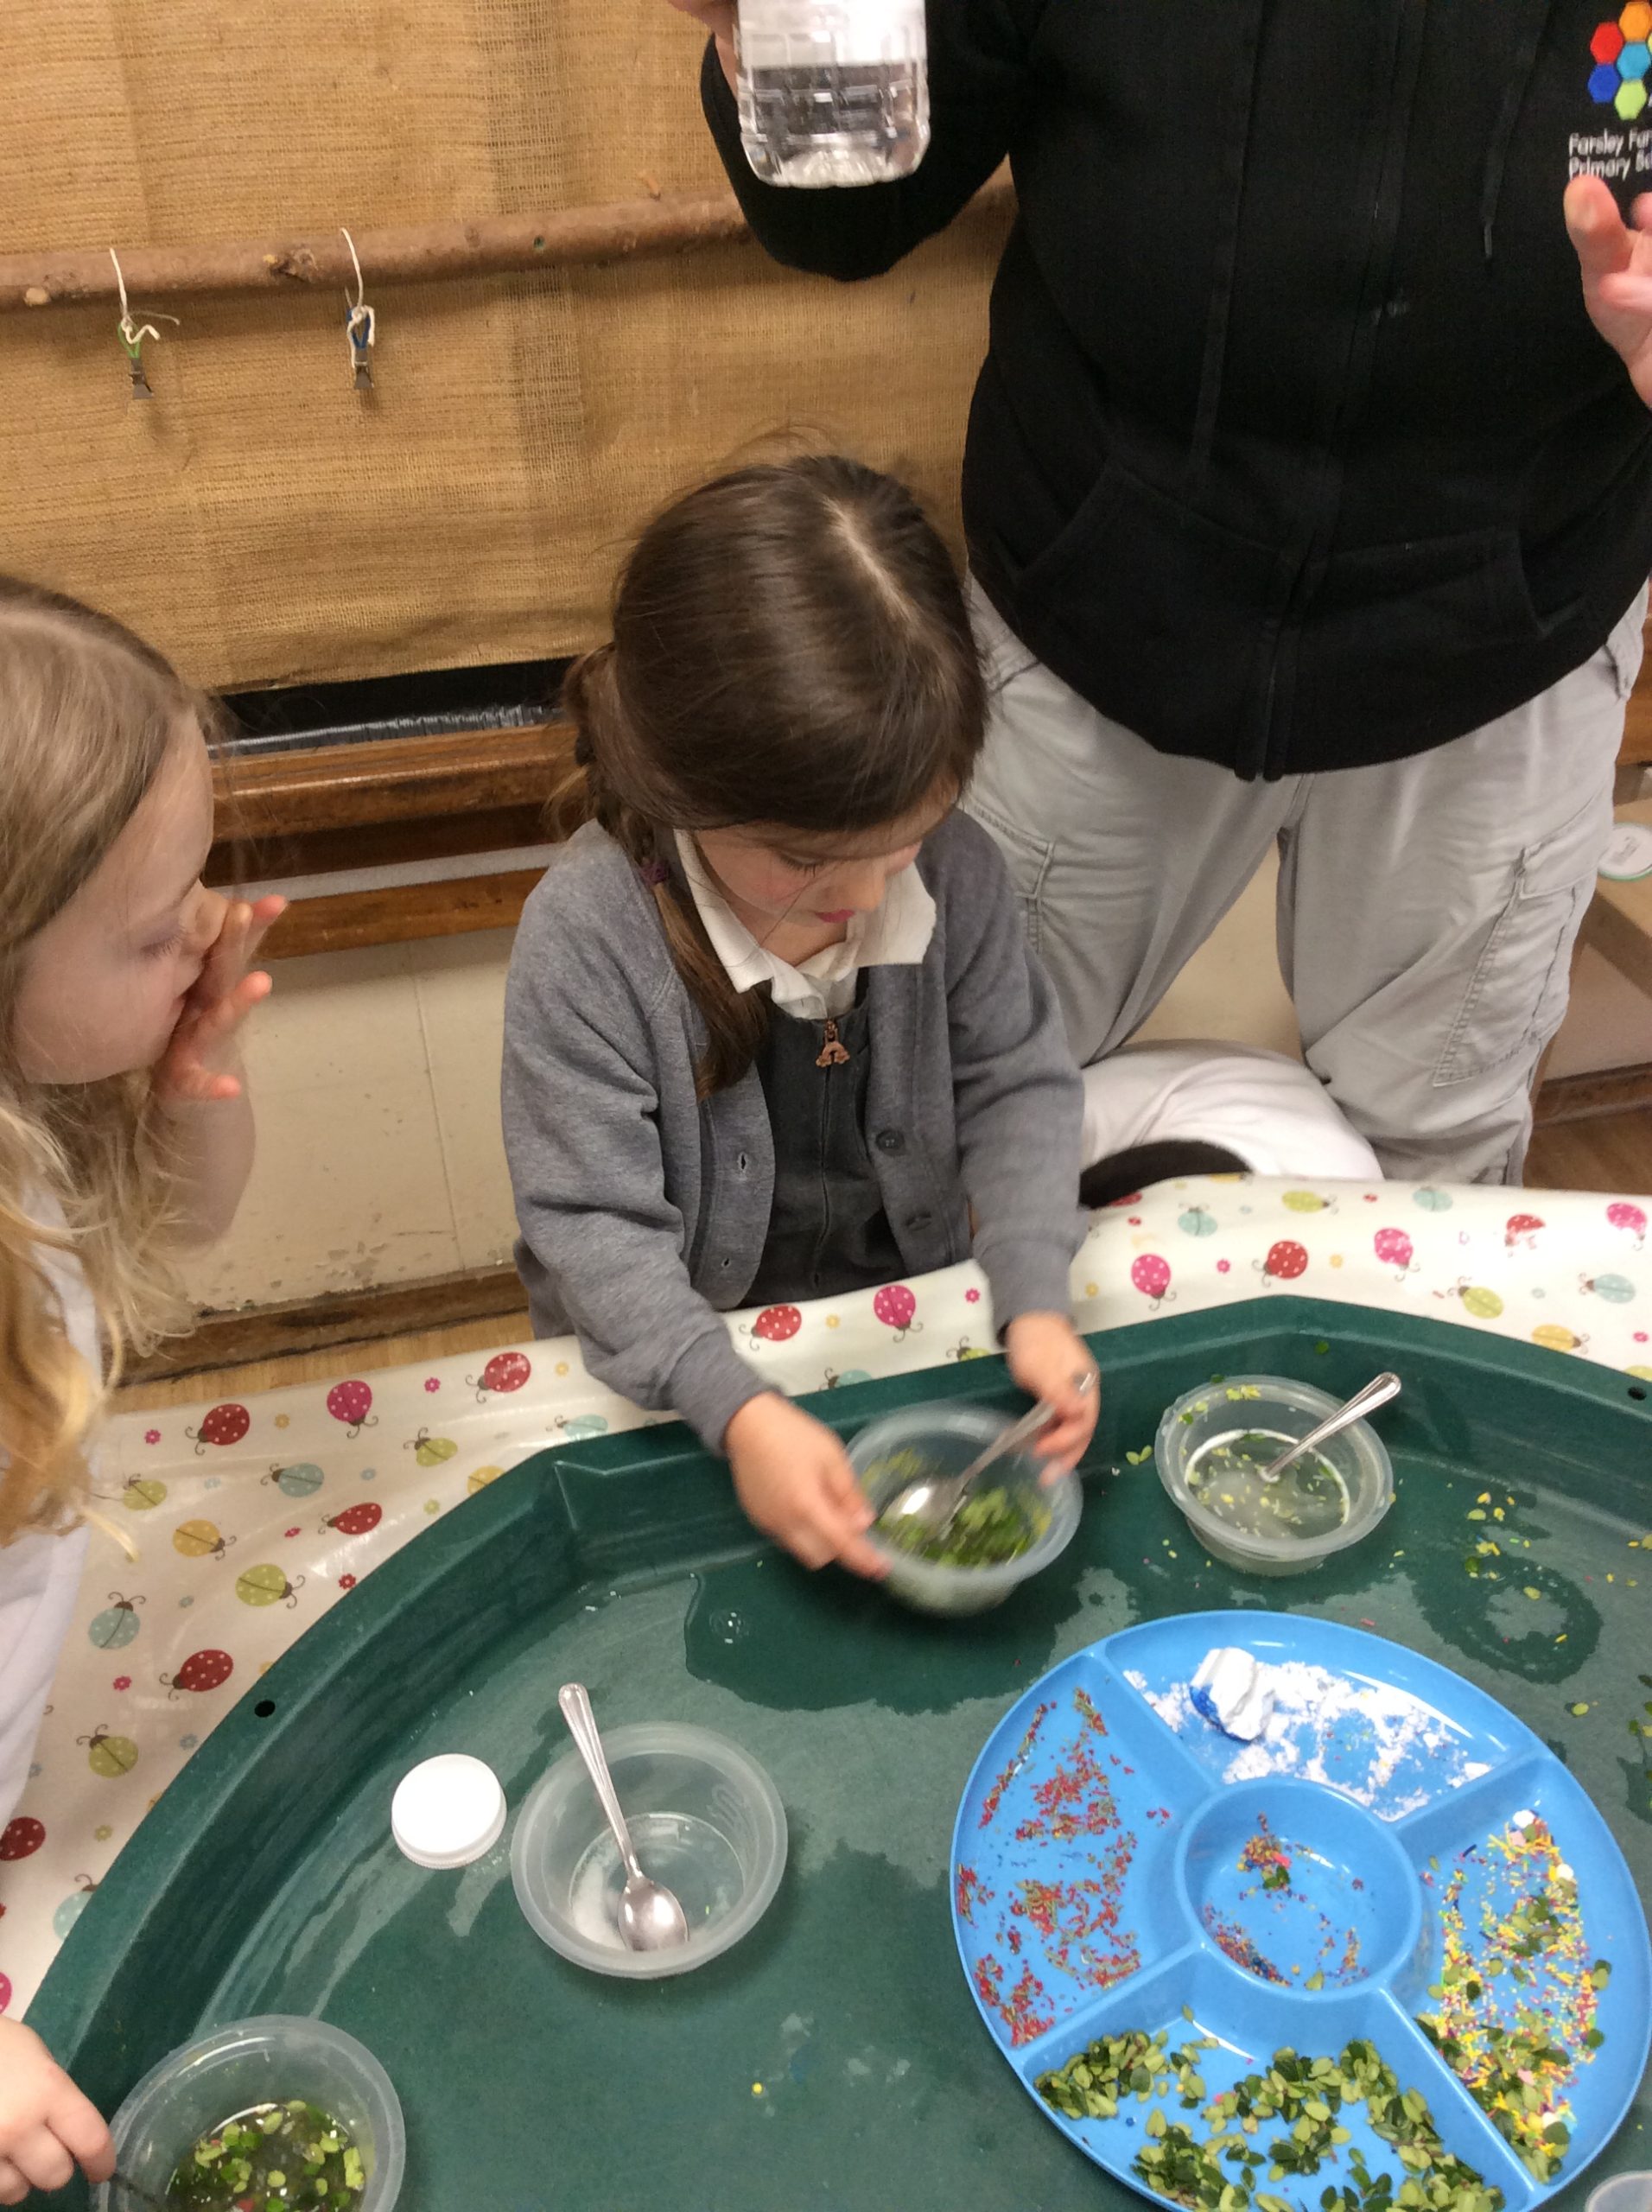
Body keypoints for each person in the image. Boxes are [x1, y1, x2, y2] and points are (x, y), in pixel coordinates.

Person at [678, 3, 1652, 1184]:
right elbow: (844, 209)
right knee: (943, 1120)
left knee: (1438, 1164)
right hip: (1100, 607)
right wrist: (764, 36)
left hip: (1513, 629)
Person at [503, 454, 1100, 1579]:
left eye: (907, 841)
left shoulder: (959, 875)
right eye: (806, 860)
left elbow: (1019, 1082)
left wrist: (1032, 1291)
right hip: (675, 1368)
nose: (868, 896)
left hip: (898, 1323)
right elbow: (590, 1225)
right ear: (685, 794)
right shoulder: (586, 935)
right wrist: (734, 1407)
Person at [0, 580, 282, 2204]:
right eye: (155, 920)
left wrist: (195, 1084)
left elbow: (187, 1221)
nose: (207, 926)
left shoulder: (36, 1106)